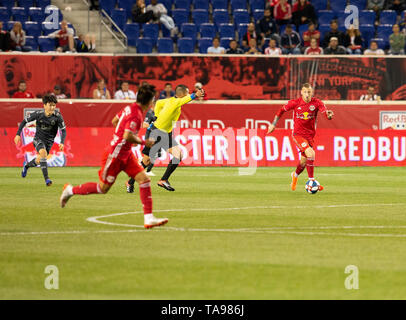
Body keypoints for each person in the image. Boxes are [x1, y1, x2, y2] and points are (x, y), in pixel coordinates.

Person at [59, 84, 169, 229]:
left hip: (126, 154)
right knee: (103, 188)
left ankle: (149, 218)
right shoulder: (136, 115)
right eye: (153, 100)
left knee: (144, 179)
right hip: (115, 155)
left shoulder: (129, 107)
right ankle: (70, 190)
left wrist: (123, 139)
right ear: (149, 102)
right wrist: (143, 142)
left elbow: (114, 121)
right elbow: (127, 135)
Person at [126, 85, 205, 192]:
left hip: (165, 133)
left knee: (178, 155)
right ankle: (130, 182)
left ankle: (163, 180)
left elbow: (158, 103)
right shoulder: (176, 102)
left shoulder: (169, 101)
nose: (187, 95)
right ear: (181, 94)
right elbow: (186, 99)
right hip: (155, 132)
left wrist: (157, 115)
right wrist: (194, 95)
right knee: (146, 161)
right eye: (186, 93)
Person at [267, 83, 334, 191]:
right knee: (311, 153)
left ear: (312, 93)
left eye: (309, 92)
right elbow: (281, 111)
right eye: (305, 92)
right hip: (298, 135)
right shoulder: (295, 103)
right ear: (301, 92)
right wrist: (273, 124)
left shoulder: (317, 103)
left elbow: (325, 112)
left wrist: (329, 115)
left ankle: (295, 175)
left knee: (303, 162)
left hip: (310, 136)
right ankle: (311, 181)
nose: (307, 94)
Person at [14, 94, 66, 186]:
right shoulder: (38, 114)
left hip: (49, 142)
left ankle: (26, 166)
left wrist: (62, 142)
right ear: (44, 105)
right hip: (38, 139)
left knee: (39, 160)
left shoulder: (58, 116)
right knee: (43, 153)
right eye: (50, 105)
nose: (52, 107)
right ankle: (47, 179)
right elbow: (24, 121)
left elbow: (63, 130)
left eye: (54, 105)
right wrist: (18, 134)